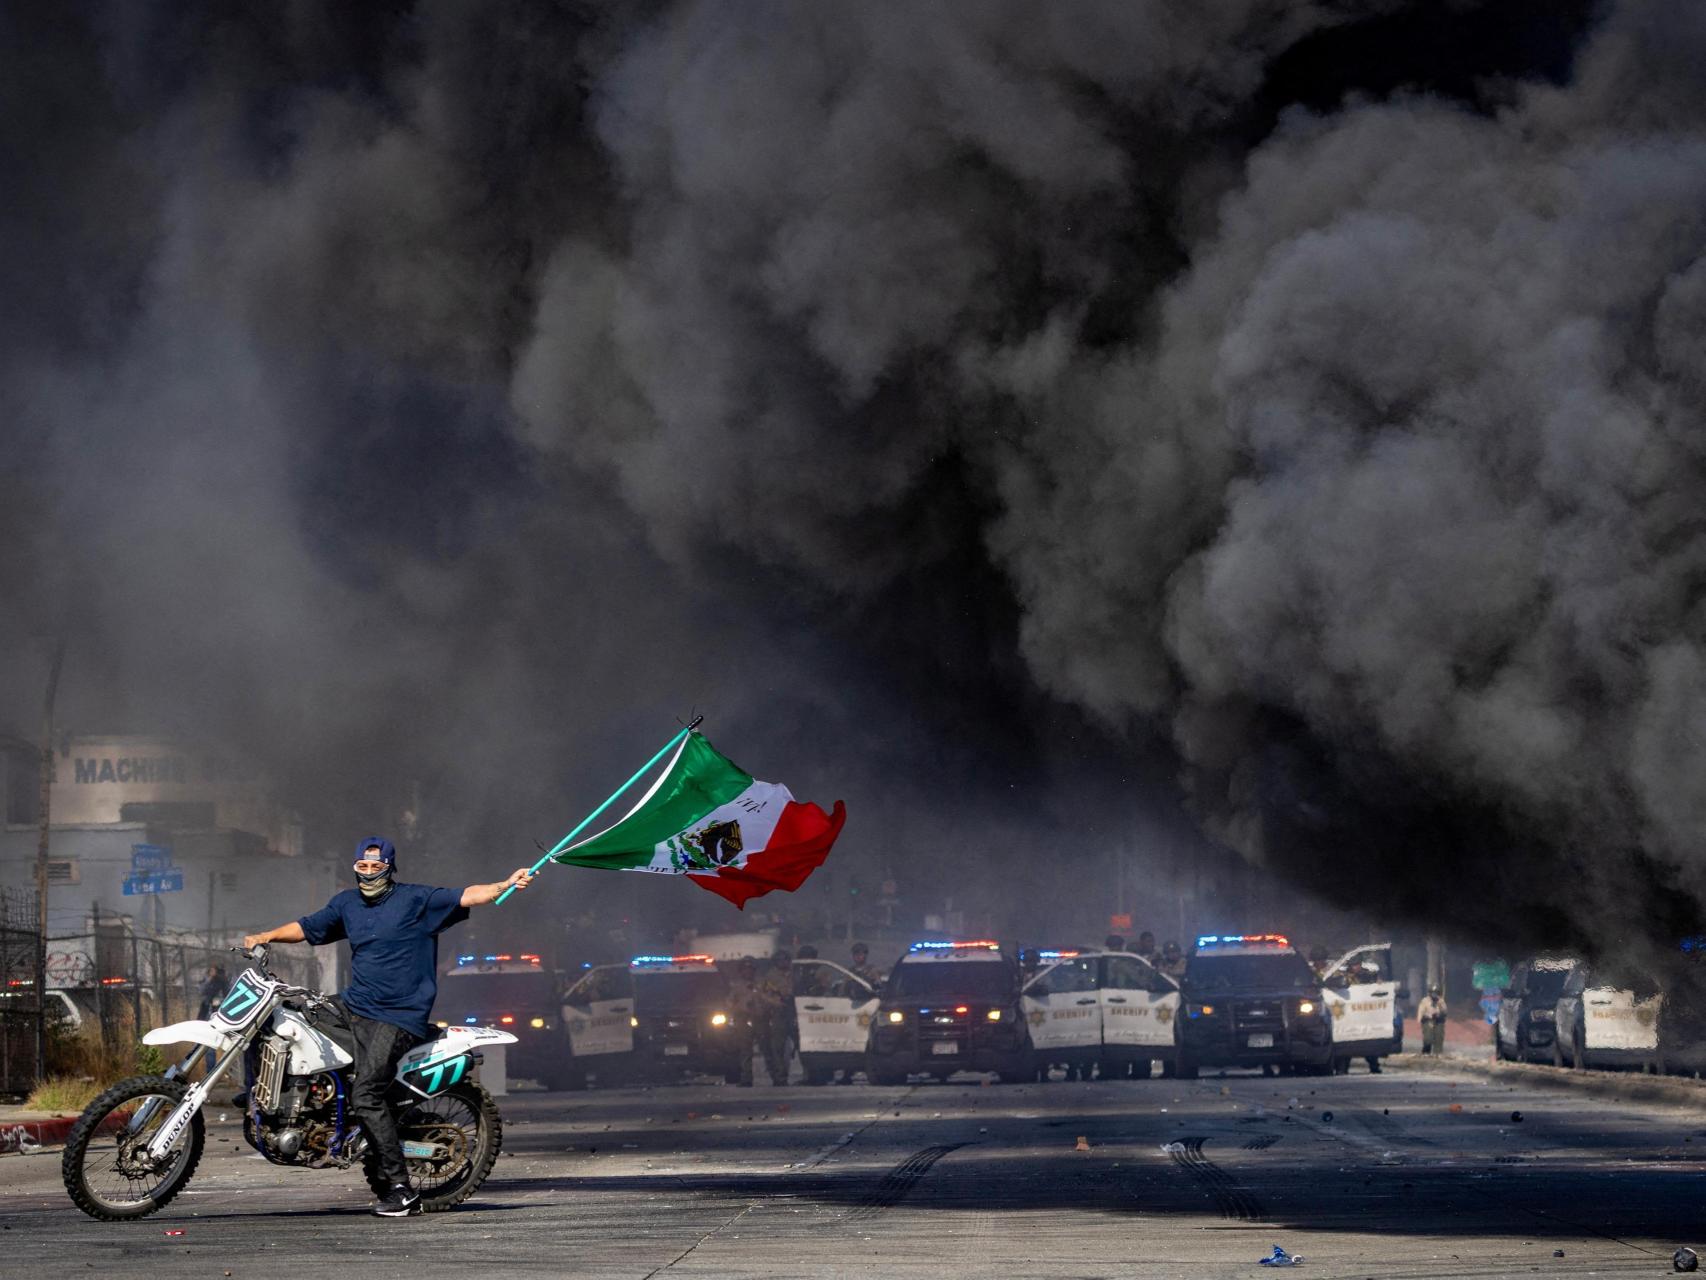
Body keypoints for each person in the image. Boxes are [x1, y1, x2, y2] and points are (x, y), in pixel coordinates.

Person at [242, 836, 533, 1218]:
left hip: (398, 1015)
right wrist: (266, 936)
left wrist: (505, 884)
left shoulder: (416, 900)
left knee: (366, 1094)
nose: (368, 873)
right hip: (354, 1005)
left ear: (389, 868)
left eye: (375, 867)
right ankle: (304, 1106)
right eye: (362, 866)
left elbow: (467, 896)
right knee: (289, 1019)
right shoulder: (347, 904)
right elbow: (308, 927)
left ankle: (402, 1191)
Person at [753, 950, 794, 1085]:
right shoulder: (770, 977)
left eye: (785, 960)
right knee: (777, 1047)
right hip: (778, 1014)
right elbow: (762, 995)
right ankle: (779, 1077)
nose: (783, 963)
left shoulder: (794, 974)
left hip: (794, 1012)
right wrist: (775, 1002)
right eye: (780, 960)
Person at [723, 958, 760, 1086]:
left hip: (761, 1020)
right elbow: (729, 1002)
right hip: (743, 1020)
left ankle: (778, 1078)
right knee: (745, 1050)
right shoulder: (736, 986)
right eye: (745, 969)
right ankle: (746, 1078)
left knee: (769, 1050)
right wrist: (737, 1008)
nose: (748, 972)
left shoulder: (762, 984)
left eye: (750, 969)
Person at [196, 963, 230, 1075]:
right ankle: (210, 1072)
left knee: (224, 1045)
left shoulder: (224, 983)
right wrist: (210, 979)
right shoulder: (207, 982)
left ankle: (223, 1072)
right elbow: (202, 992)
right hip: (207, 1016)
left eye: (216, 971)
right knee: (206, 1045)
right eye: (211, 971)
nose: (214, 974)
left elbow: (227, 995)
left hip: (221, 1018)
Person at [1418, 984, 1448, 1055]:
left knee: (1438, 1039)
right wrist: (1427, 1016)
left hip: (1438, 1022)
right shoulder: (1425, 1001)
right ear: (1429, 993)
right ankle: (1426, 1053)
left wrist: (1440, 1013)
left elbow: (1445, 1012)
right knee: (1428, 1039)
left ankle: (1437, 1054)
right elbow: (1421, 1013)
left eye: (1436, 993)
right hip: (1428, 1021)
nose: (1434, 994)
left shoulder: (1441, 1001)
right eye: (1433, 993)